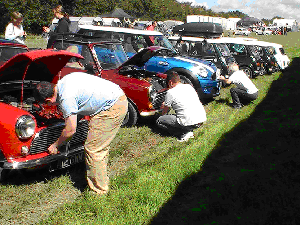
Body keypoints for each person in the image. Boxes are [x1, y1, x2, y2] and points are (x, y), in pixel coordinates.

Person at [34, 72, 128, 195]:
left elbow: (71, 130)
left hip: (111, 107)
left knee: (93, 149)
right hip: (116, 96)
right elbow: (83, 98)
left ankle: (99, 191)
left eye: (47, 104)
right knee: (99, 146)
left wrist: (55, 145)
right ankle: (101, 177)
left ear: (47, 100)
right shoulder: (66, 79)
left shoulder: (66, 98)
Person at [156, 72, 207, 142]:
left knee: (160, 121)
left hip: (189, 122)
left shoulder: (170, 92)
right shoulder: (189, 86)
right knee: (177, 115)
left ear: (170, 83)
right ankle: (188, 129)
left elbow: (164, 112)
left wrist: (163, 108)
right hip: (201, 119)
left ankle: (183, 133)